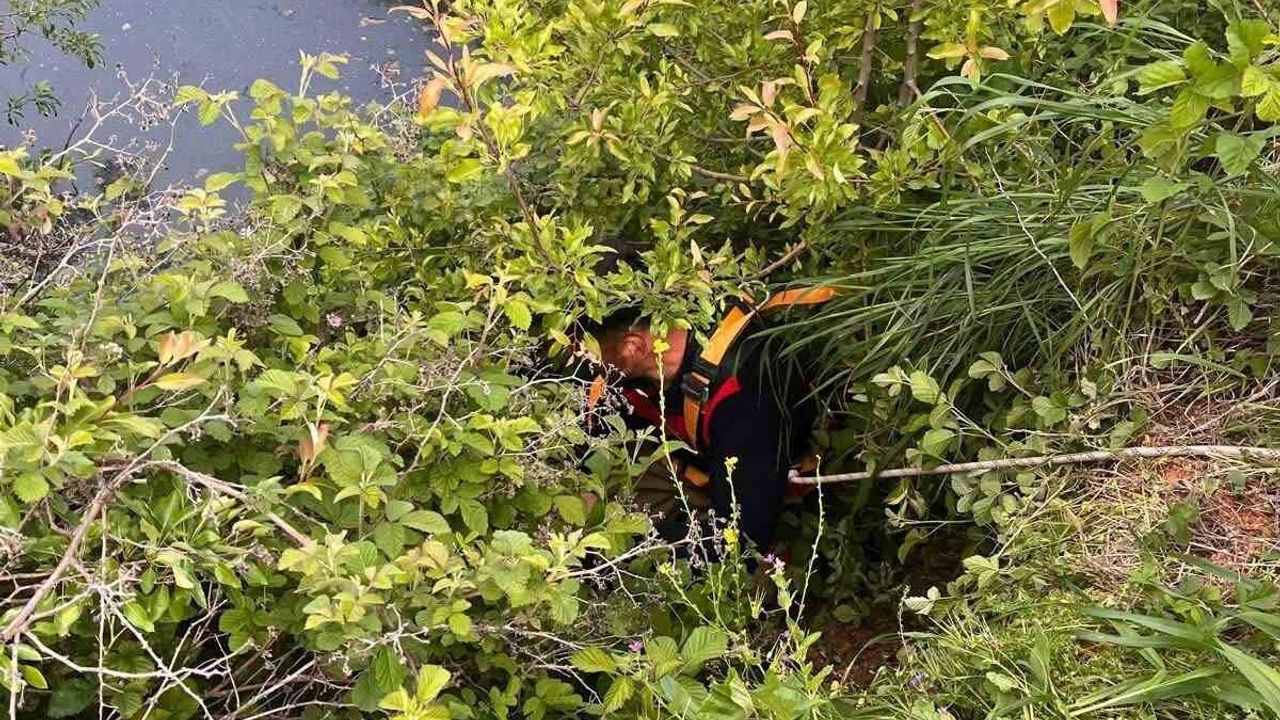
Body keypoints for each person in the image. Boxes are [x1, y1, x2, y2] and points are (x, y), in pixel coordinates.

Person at [578, 290, 833, 553]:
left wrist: (623, 538)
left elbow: (741, 540)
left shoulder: (742, 398)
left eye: (590, 357)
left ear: (633, 347)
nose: (586, 366)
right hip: (692, 461)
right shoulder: (650, 363)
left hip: (748, 493)